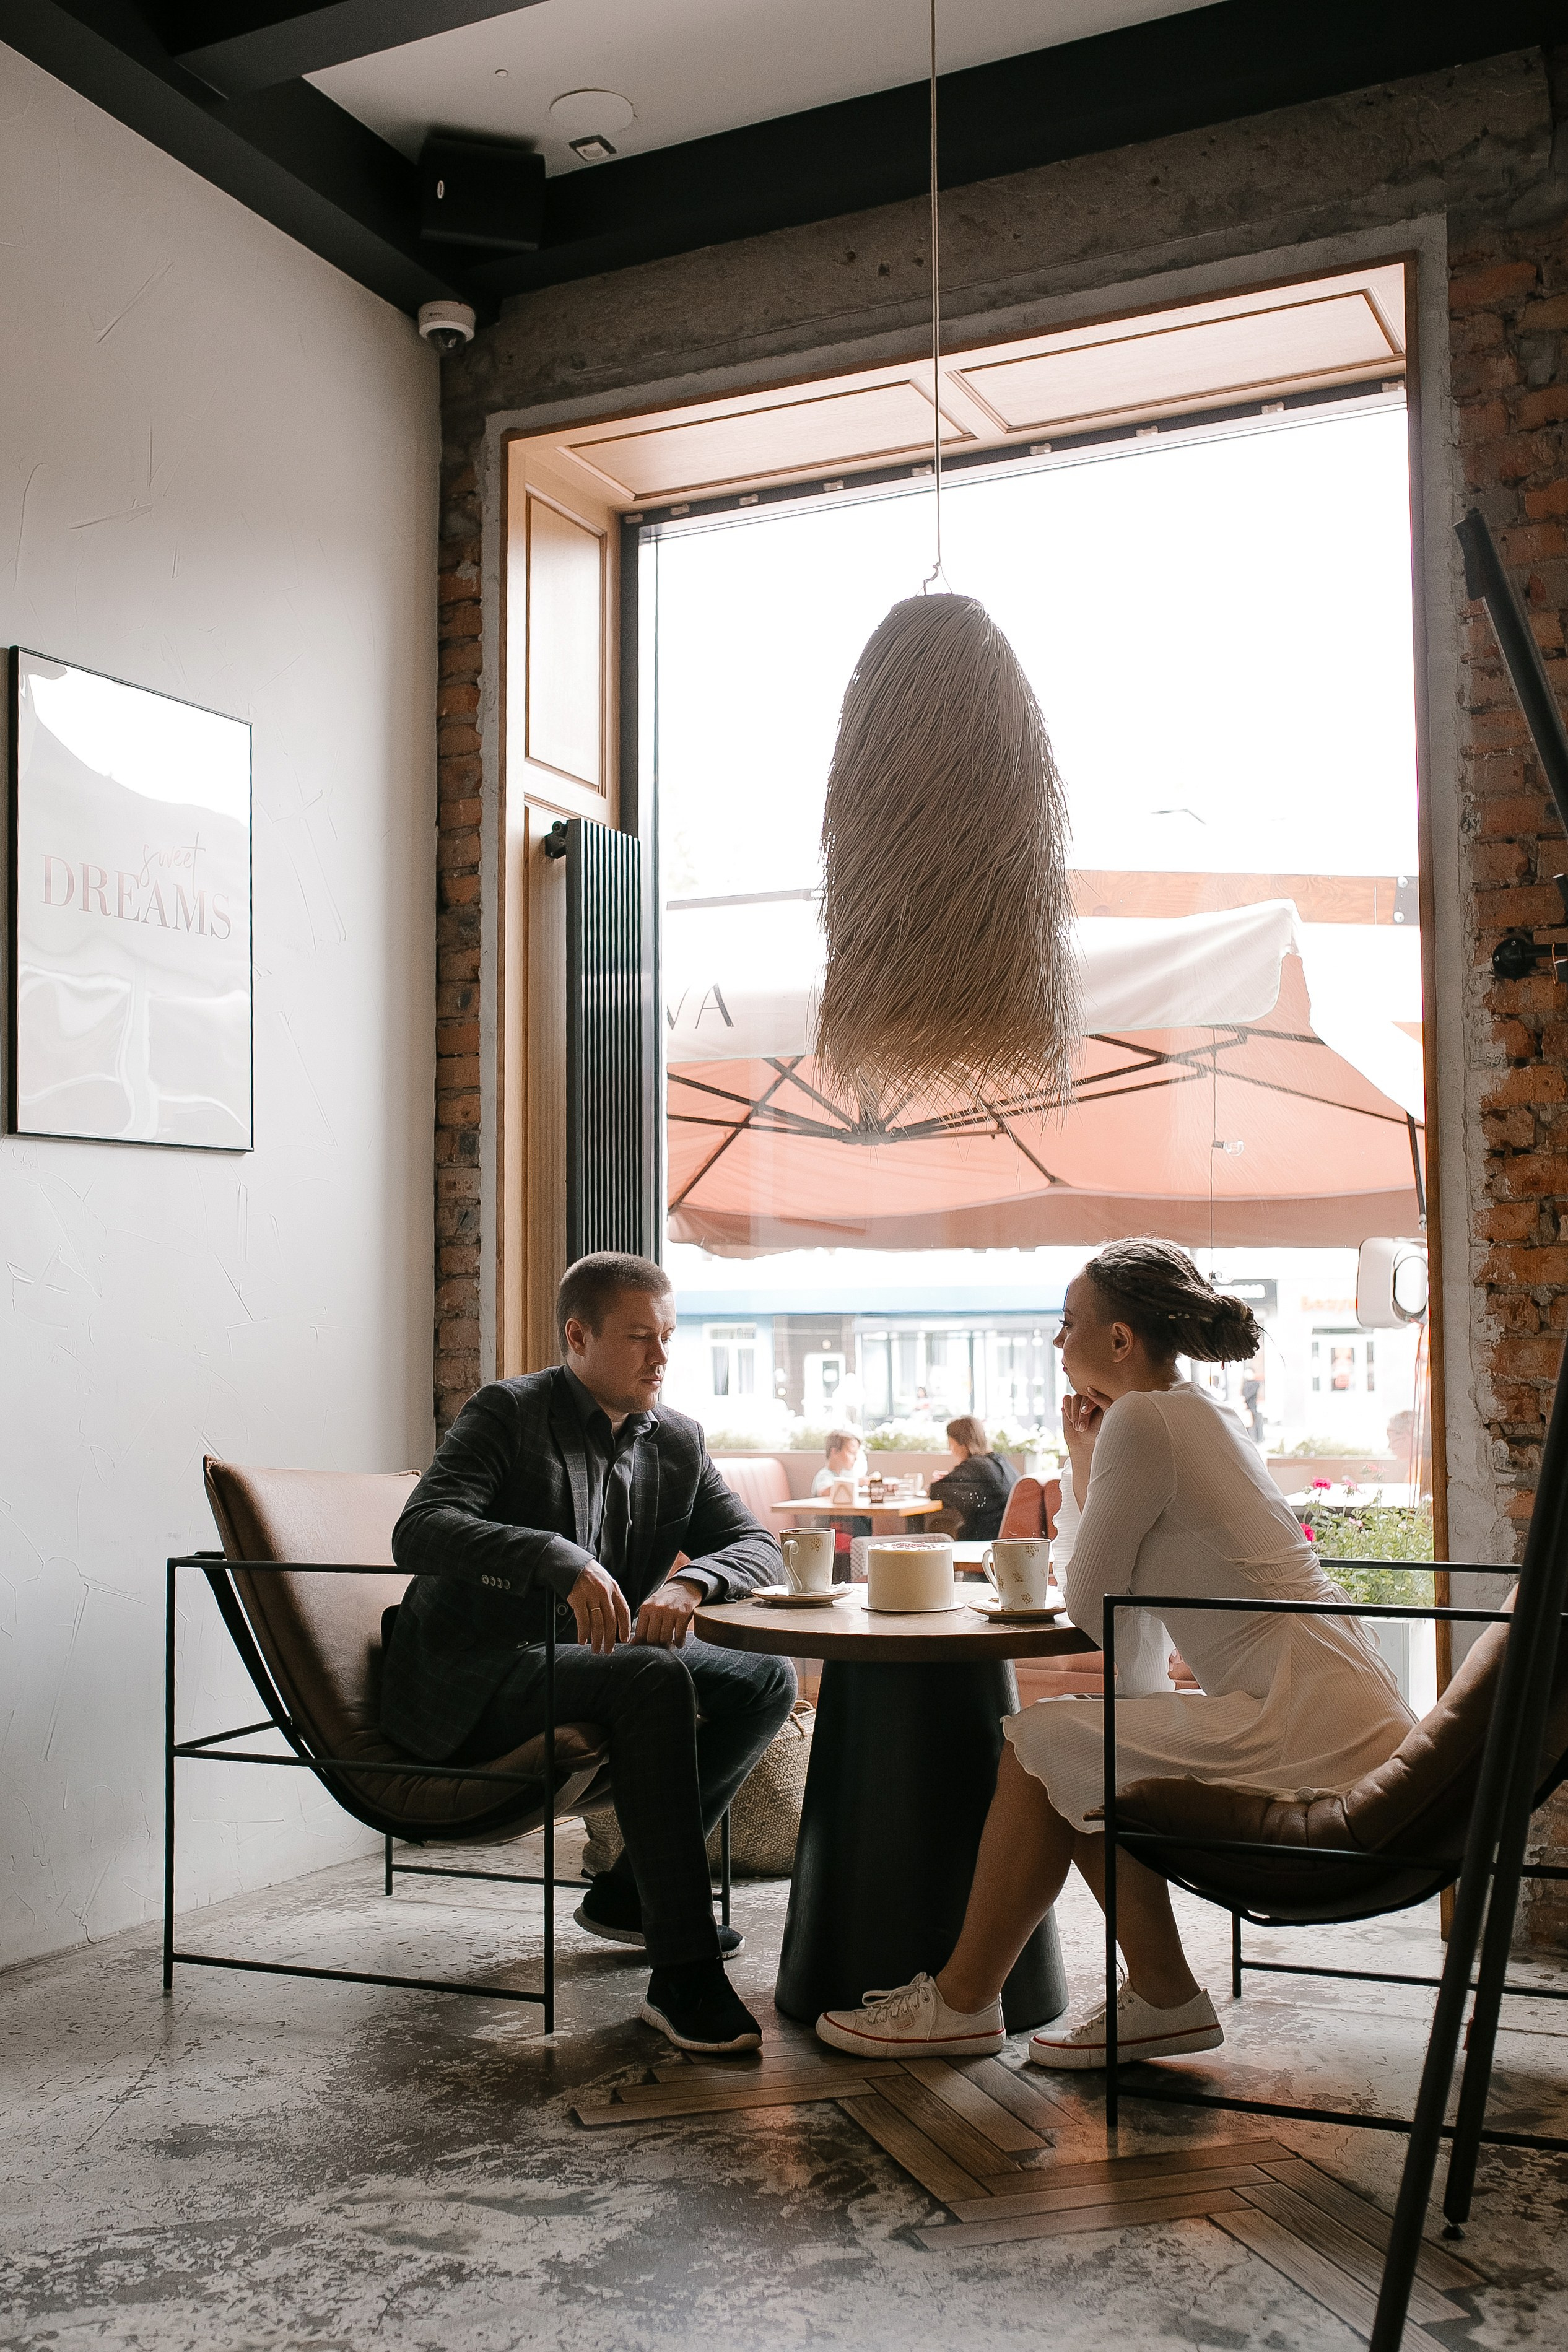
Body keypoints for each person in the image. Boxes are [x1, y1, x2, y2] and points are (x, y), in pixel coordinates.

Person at [815, 1237, 1413, 2070]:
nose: (1059, 1343)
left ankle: (965, 2002)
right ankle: (1154, 1995)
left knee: (1041, 1744)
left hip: (1305, 1725)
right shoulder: (1201, 1412)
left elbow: (1094, 1607)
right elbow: (1130, 1649)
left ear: (1120, 1340)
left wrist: (1085, 1460)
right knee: (1084, 1748)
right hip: (1335, 1704)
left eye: (1069, 1324)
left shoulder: (1143, 1419)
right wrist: (1093, 1464)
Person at [382, 1252, 795, 2056]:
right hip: (475, 1671)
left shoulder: (675, 1440)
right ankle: (684, 1974)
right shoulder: (508, 1411)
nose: (661, 1357)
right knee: (651, 1674)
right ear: (577, 1335)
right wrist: (555, 1557)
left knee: (764, 1678)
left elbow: (757, 1544)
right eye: (640, 1336)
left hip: (586, 1664)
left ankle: (634, 1891)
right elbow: (419, 1528)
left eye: (668, 1335)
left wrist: (693, 1585)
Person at [927, 1415, 1017, 1540]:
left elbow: (936, 1490)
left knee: (937, 1526)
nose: (950, 1449)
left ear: (961, 1444)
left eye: (951, 1443)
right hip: (1005, 1532)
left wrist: (941, 1480)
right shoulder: (1000, 1461)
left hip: (985, 1534)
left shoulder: (973, 1465)